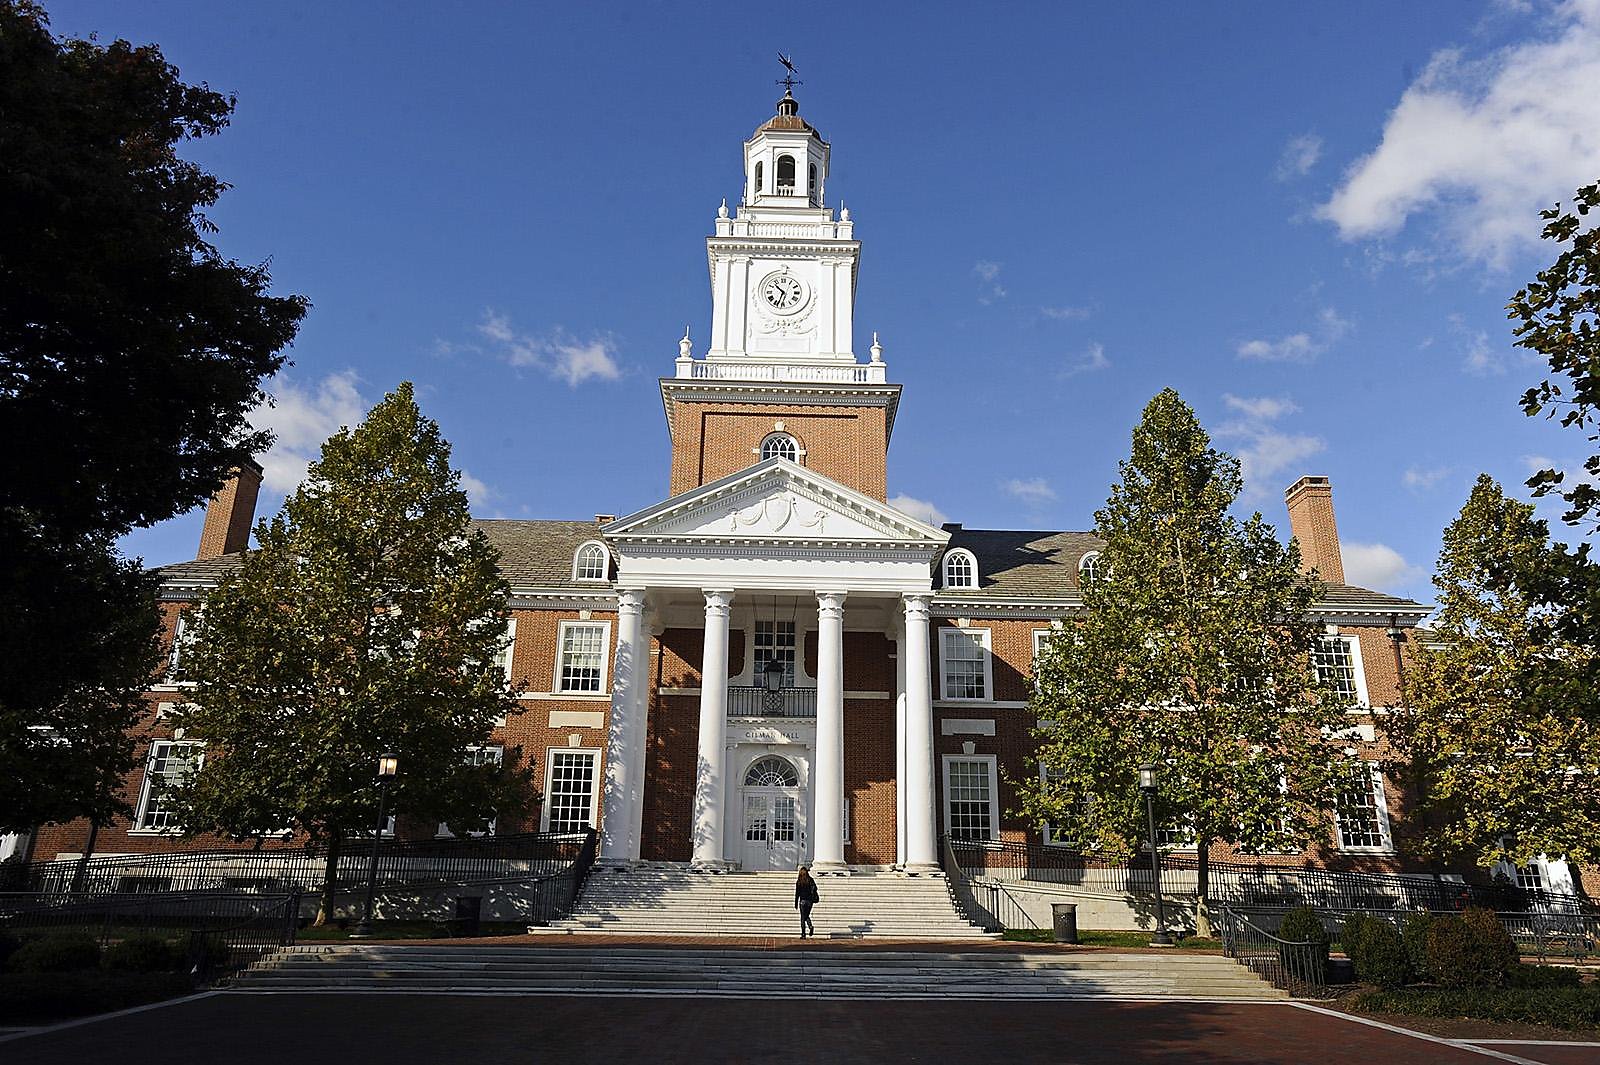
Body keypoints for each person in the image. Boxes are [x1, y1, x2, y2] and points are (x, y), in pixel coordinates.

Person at [795, 865, 820, 938]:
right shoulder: (810, 880)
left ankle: (803, 934)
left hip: (802, 901)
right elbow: (815, 888)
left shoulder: (799, 881)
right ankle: (810, 926)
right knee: (806, 916)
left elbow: (797, 893)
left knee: (803, 918)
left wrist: (796, 903)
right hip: (810, 901)